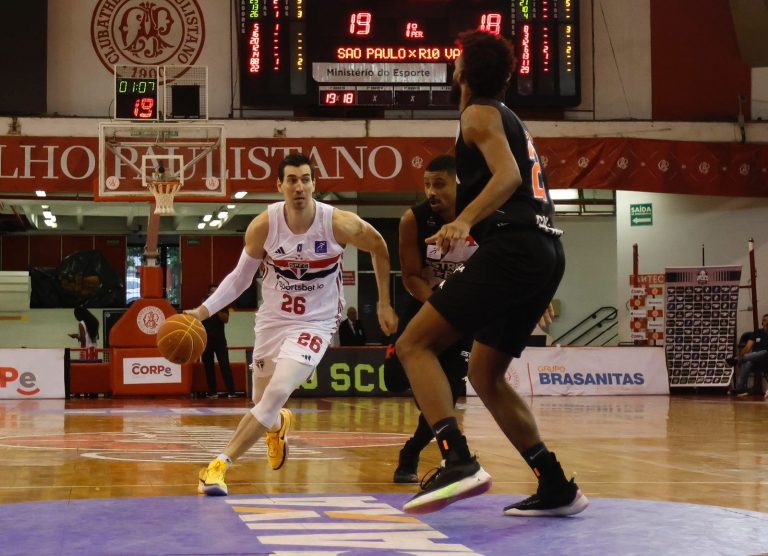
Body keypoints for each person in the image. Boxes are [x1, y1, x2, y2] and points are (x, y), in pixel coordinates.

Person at [395, 30, 588, 516]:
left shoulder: (477, 114)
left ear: (462, 71)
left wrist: (462, 220)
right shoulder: (508, 117)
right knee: (484, 373)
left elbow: (509, 177)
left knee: (414, 344)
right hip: (543, 250)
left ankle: (457, 460)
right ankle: (556, 485)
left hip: (515, 248)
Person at [188, 152, 398, 496]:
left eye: (305, 179)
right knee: (262, 402)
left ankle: (218, 466)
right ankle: (278, 426)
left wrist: (385, 301)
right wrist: (202, 311)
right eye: (292, 180)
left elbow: (379, 246)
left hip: (316, 322)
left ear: (314, 184)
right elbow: (240, 278)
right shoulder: (264, 225)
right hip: (273, 320)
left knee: (276, 392)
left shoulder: (337, 223)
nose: (299, 186)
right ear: (280, 186)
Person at [385, 154, 477, 484]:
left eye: (439, 184)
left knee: (446, 394)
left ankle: (411, 452)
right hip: (426, 305)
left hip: (465, 313)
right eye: (426, 185)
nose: (431, 192)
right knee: (394, 381)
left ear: (458, 184)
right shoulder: (414, 219)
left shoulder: (482, 217)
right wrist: (440, 303)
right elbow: (411, 276)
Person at [201, 284, 236, 398]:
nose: (214, 295)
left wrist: (216, 308)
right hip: (206, 340)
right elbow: (199, 318)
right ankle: (212, 391)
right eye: (212, 292)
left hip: (220, 340)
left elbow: (225, 319)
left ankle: (231, 391)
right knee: (208, 366)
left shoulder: (222, 304)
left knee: (225, 365)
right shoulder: (203, 305)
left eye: (216, 292)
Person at [728, 313, 768, 396]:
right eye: (765, 320)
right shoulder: (757, 332)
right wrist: (742, 355)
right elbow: (747, 347)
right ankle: (741, 389)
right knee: (748, 362)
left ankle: (736, 360)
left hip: (766, 360)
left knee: (765, 352)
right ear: (762, 323)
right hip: (755, 360)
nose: (767, 322)